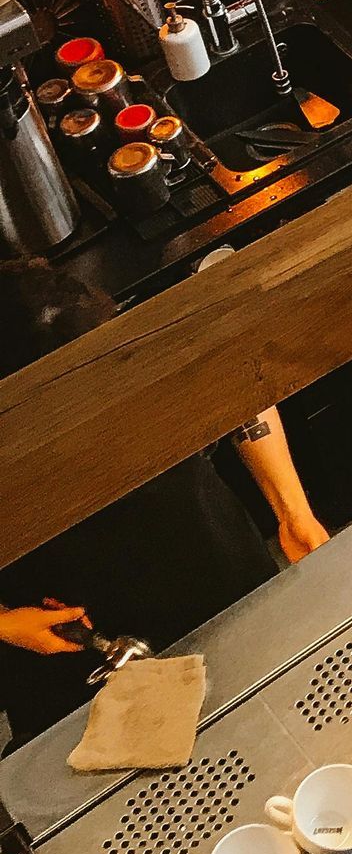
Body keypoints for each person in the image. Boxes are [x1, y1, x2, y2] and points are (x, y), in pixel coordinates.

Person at [0, 258, 330, 747]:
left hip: (213, 562)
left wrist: (292, 512)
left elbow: (240, 389)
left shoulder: (133, 356)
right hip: (70, 635)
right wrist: (6, 623)